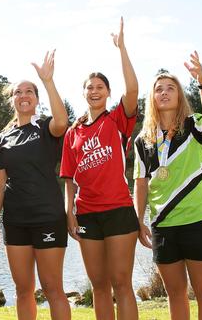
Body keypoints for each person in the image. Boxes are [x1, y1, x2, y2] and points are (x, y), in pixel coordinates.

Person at [60, 18, 139, 320]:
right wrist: (69, 212)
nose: (94, 91)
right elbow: (68, 179)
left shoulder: (117, 120)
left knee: (122, 283)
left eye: (100, 87)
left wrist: (121, 48)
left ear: (108, 92)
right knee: (99, 285)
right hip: (87, 215)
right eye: (89, 87)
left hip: (119, 211)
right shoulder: (72, 133)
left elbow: (132, 89)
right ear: (83, 93)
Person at [133, 51, 202, 320]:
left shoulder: (193, 124)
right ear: (152, 98)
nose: (164, 92)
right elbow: (140, 182)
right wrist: (139, 220)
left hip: (198, 219)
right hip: (163, 224)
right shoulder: (144, 139)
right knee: (175, 293)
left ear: (180, 95)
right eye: (159, 89)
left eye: (171, 88)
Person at [0, 50, 70, 320]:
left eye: (29, 92)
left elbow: (63, 122)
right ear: (12, 99)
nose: (23, 96)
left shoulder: (46, 127)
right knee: (23, 289)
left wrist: (47, 81)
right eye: (18, 92)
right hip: (16, 220)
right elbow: (0, 183)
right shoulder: (2, 138)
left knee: (52, 288)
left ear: (36, 99)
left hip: (48, 216)